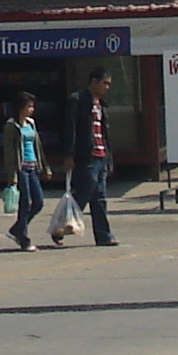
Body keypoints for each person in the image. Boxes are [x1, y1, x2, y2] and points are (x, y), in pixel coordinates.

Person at [68, 77, 119, 247]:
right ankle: (61, 225)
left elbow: (105, 132)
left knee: (100, 198)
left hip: (101, 155)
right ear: (94, 82)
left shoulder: (101, 104)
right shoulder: (78, 100)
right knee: (83, 193)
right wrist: (69, 154)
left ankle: (104, 236)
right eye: (104, 83)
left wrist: (108, 157)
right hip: (86, 156)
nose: (107, 87)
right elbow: (70, 128)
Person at [1, 92, 44, 250]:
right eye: (29, 106)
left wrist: (44, 166)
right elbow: (10, 153)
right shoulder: (11, 126)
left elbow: (37, 146)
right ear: (20, 108)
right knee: (24, 203)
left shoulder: (31, 123)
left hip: (32, 166)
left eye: (33, 106)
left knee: (38, 201)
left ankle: (16, 229)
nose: (32, 109)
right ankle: (23, 238)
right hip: (21, 168)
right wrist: (12, 175)